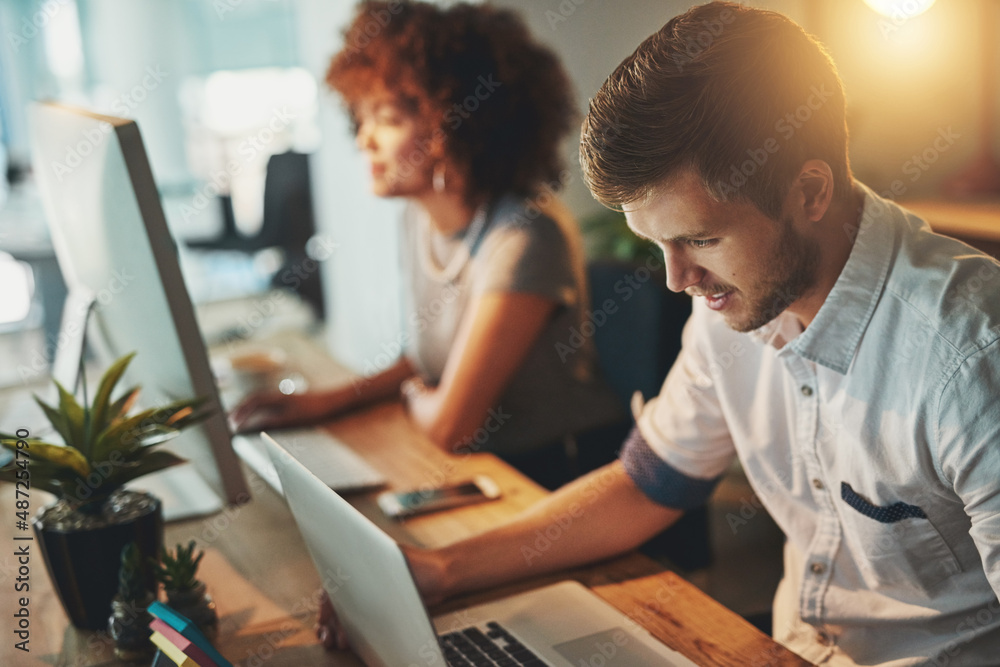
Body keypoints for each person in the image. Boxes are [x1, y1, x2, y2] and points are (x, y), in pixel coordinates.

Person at [314, 2, 1000, 665]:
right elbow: (650, 483)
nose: (677, 281)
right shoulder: (733, 302)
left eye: (701, 238)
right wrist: (440, 569)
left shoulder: (968, 356)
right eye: (658, 244)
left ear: (811, 192)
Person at [230, 1, 622, 489]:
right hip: (481, 468)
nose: (364, 140)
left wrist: (416, 397)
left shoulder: (523, 238)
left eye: (387, 119)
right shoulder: (420, 219)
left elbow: (450, 425)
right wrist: (325, 402)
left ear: (453, 124)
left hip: (556, 473)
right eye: (362, 117)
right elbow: (428, 363)